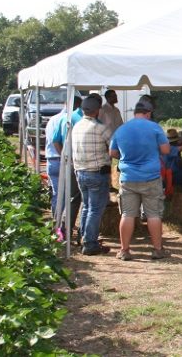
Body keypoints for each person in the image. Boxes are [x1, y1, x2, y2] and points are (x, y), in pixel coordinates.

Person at [109, 99, 171, 261]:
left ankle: (124, 250)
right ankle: (158, 250)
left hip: (128, 177)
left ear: (135, 113)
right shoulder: (154, 127)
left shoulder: (121, 129)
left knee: (128, 214)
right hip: (150, 177)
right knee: (153, 214)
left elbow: (112, 153)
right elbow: (165, 150)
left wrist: (126, 157)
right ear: (149, 113)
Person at [71, 94, 113, 256]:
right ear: (97, 111)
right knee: (95, 209)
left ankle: (83, 237)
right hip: (97, 172)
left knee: (87, 206)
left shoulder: (76, 127)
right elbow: (114, 147)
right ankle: (90, 243)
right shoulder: (100, 128)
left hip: (81, 172)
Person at [45, 95, 82, 217]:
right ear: (76, 106)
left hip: (51, 159)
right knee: (69, 195)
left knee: (57, 193)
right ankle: (62, 223)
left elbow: (51, 140)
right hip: (65, 160)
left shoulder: (53, 119)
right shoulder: (71, 120)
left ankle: (56, 221)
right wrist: (64, 156)